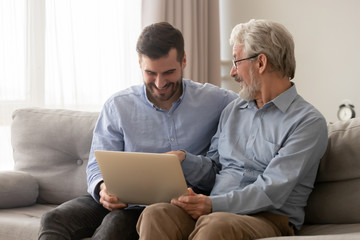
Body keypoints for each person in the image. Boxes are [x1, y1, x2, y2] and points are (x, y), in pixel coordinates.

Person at [38, 22, 238, 240]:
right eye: (150, 73)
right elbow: (97, 164)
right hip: (122, 198)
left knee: (114, 225)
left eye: (169, 72)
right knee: (53, 218)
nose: (160, 83)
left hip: (170, 206)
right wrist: (103, 189)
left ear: (184, 61)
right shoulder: (118, 105)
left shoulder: (217, 101)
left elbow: (253, 110)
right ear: (139, 64)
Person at [136, 19, 329, 240]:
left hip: (267, 218)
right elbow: (215, 169)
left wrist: (212, 204)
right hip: (213, 213)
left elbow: (272, 191)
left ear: (261, 63)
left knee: (216, 225)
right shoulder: (233, 110)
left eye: (237, 61)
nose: (233, 71)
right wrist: (183, 160)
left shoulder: (307, 122)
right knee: (157, 213)